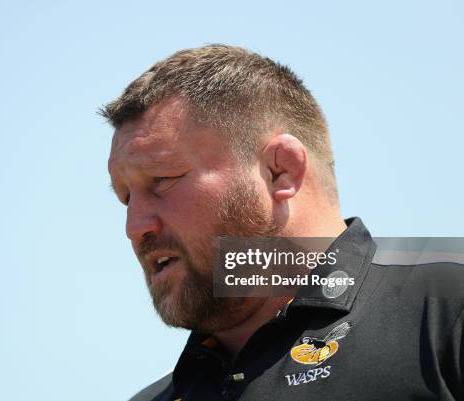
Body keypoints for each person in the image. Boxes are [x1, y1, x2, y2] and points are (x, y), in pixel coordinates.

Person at [101, 45, 463, 400]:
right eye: (126, 197)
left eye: (162, 180)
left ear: (280, 171)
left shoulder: (448, 304)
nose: (135, 227)